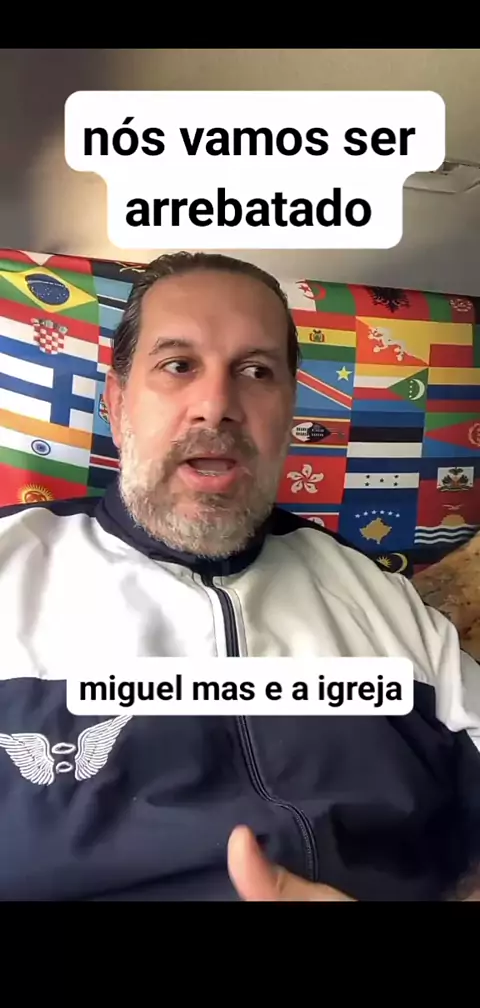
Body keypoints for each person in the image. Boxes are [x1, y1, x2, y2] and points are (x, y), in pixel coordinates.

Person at [0, 250, 480, 903]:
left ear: (290, 415)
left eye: (256, 372)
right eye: (178, 365)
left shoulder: (378, 597)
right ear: (116, 404)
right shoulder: (14, 566)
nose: (216, 405)